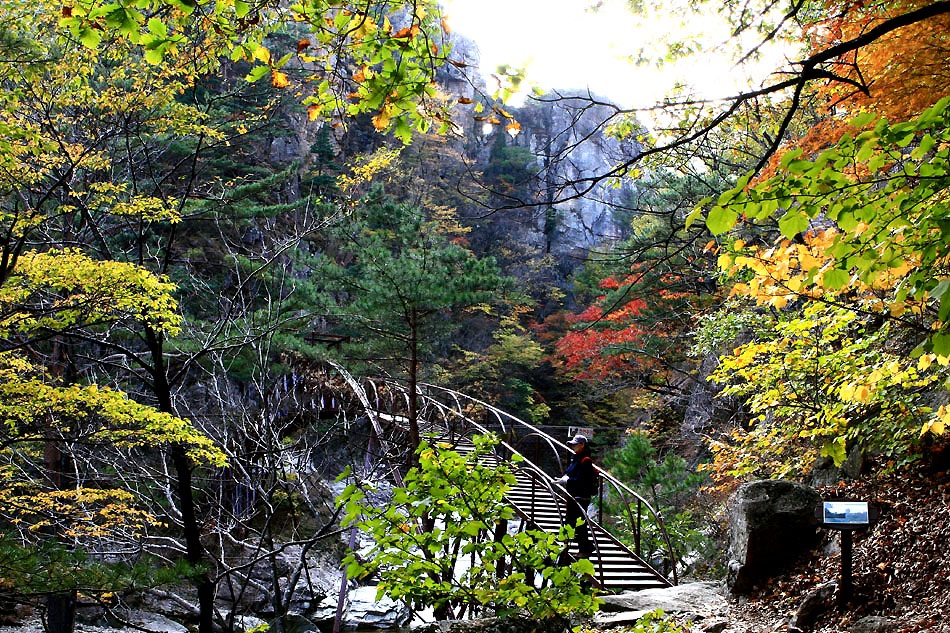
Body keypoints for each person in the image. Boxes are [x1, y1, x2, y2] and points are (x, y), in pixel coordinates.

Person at [555, 434, 596, 563]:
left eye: (575, 444)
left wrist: (568, 481)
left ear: (582, 445)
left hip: (581, 496)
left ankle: (585, 548)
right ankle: (579, 547)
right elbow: (570, 472)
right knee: (572, 521)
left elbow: (582, 480)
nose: (573, 447)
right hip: (574, 495)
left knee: (579, 523)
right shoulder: (576, 458)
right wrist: (565, 478)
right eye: (572, 444)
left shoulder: (586, 460)